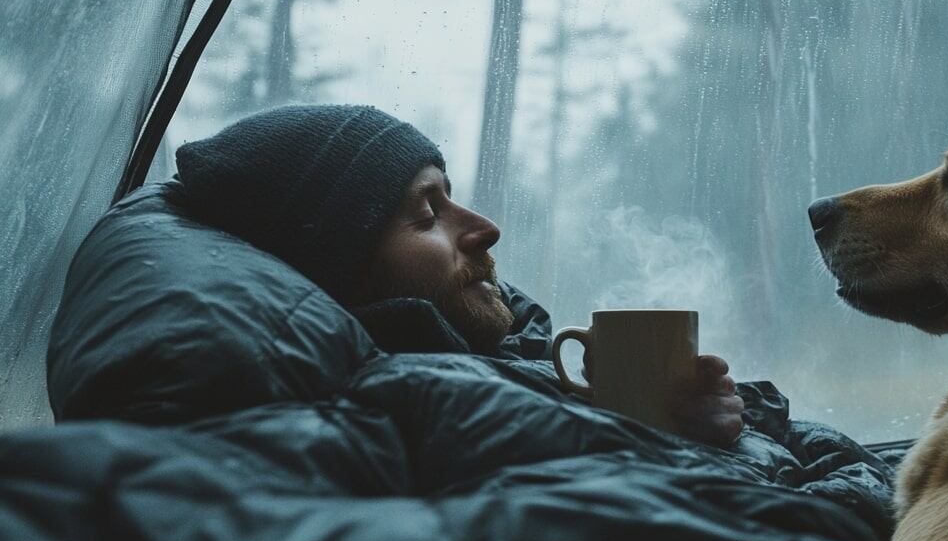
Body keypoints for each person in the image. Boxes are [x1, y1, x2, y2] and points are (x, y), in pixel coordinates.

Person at [173, 104, 744, 446]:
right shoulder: (391, 422)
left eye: (454, 199)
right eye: (427, 214)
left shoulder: (525, 358)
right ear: (341, 267)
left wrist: (695, 414)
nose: (487, 228)